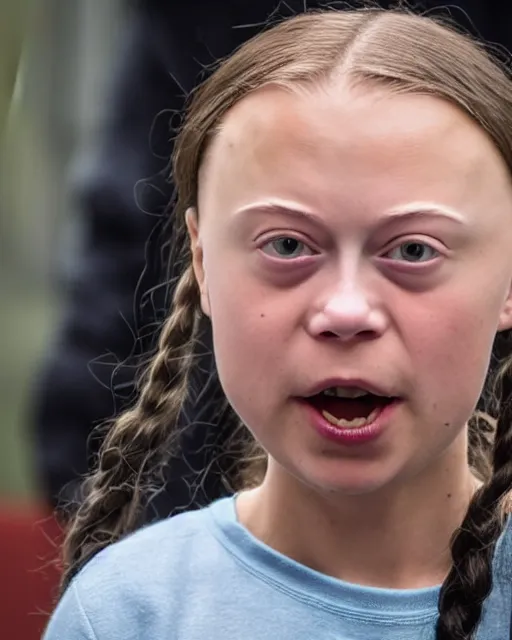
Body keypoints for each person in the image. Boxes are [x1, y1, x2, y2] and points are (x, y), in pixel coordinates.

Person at [43, 7, 512, 639]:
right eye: (288, 246)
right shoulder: (127, 614)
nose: (346, 312)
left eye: (413, 250)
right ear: (202, 263)